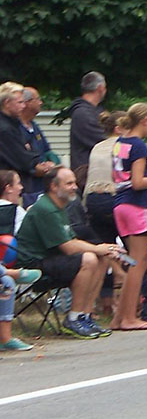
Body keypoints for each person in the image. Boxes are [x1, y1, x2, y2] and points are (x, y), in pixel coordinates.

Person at [15, 167, 121, 339]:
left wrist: (105, 248)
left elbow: (73, 241)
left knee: (102, 258)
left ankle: (84, 316)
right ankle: (73, 318)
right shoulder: (46, 208)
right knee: (89, 258)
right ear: (54, 187)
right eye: (69, 183)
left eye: (74, 182)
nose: (75, 187)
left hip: (50, 259)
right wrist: (96, 248)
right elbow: (68, 247)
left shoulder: (60, 206)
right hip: (33, 264)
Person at [110, 104, 147, 330]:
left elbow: (126, 176)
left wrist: (145, 174)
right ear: (145, 119)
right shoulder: (139, 146)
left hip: (119, 204)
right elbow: (138, 182)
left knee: (134, 261)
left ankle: (119, 317)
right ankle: (129, 318)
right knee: (139, 263)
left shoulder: (119, 143)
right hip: (137, 205)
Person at [1, 170, 40, 351]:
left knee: (6, 282)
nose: (22, 188)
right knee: (7, 278)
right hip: (11, 260)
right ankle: (12, 272)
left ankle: (5, 339)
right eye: (18, 183)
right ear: (8, 188)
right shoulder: (14, 211)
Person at [0, 83, 56, 199]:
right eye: (20, 102)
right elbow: (23, 160)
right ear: (6, 103)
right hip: (8, 190)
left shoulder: (14, 125)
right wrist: (41, 165)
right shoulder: (5, 129)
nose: (24, 106)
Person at [18, 87, 60, 207]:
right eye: (38, 99)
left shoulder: (35, 127)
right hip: (26, 188)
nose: (41, 103)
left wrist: (52, 163)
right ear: (27, 103)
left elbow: (48, 151)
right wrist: (34, 168)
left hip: (42, 185)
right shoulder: (15, 129)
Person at [68, 71, 108, 184]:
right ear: (100, 88)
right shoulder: (83, 114)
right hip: (86, 178)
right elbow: (105, 141)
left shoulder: (95, 111)